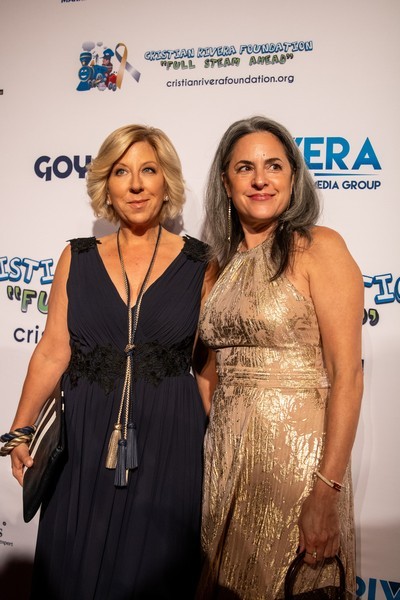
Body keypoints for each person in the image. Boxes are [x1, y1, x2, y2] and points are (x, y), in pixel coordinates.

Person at [2, 124, 217, 599]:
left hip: (169, 437)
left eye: (148, 170)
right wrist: (20, 428)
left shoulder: (202, 263)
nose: (136, 185)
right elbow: (53, 350)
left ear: (166, 181)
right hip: (83, 435)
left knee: (154, 572)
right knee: (72, 566)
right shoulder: (76, 257)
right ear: (106, 184)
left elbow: (207, 367)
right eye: (121, 172)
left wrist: (217, 444)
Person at [196, 116, 364, 599]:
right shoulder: (217, 268)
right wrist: (228, 430)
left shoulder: (318, 248)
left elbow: (347, 376)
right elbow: (208, 368)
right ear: (226, 182)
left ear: (293, 176)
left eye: (273, 165)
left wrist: (326, 490)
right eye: (244, 168)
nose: (260, 179)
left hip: (301, 471)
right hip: (227, 468)